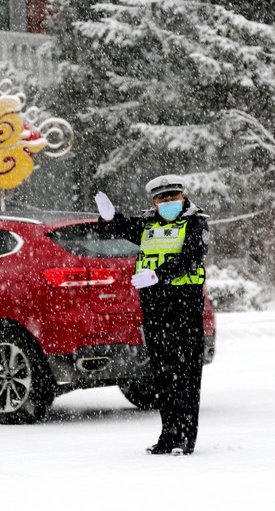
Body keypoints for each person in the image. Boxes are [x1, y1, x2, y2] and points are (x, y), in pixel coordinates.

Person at [94, 175, 209, 455]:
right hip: (156, 311)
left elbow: (191, 256)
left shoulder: (196, 223)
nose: (168, 203)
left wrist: (158, 275)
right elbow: (119, 229)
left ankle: (185, 438)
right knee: (163, 374)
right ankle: (168, 435)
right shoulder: (148, 225)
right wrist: (109, 218)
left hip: (185, 309)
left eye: (173, 198)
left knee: (187, 375)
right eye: (162, 199)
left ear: (182, 197)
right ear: (154, 202)